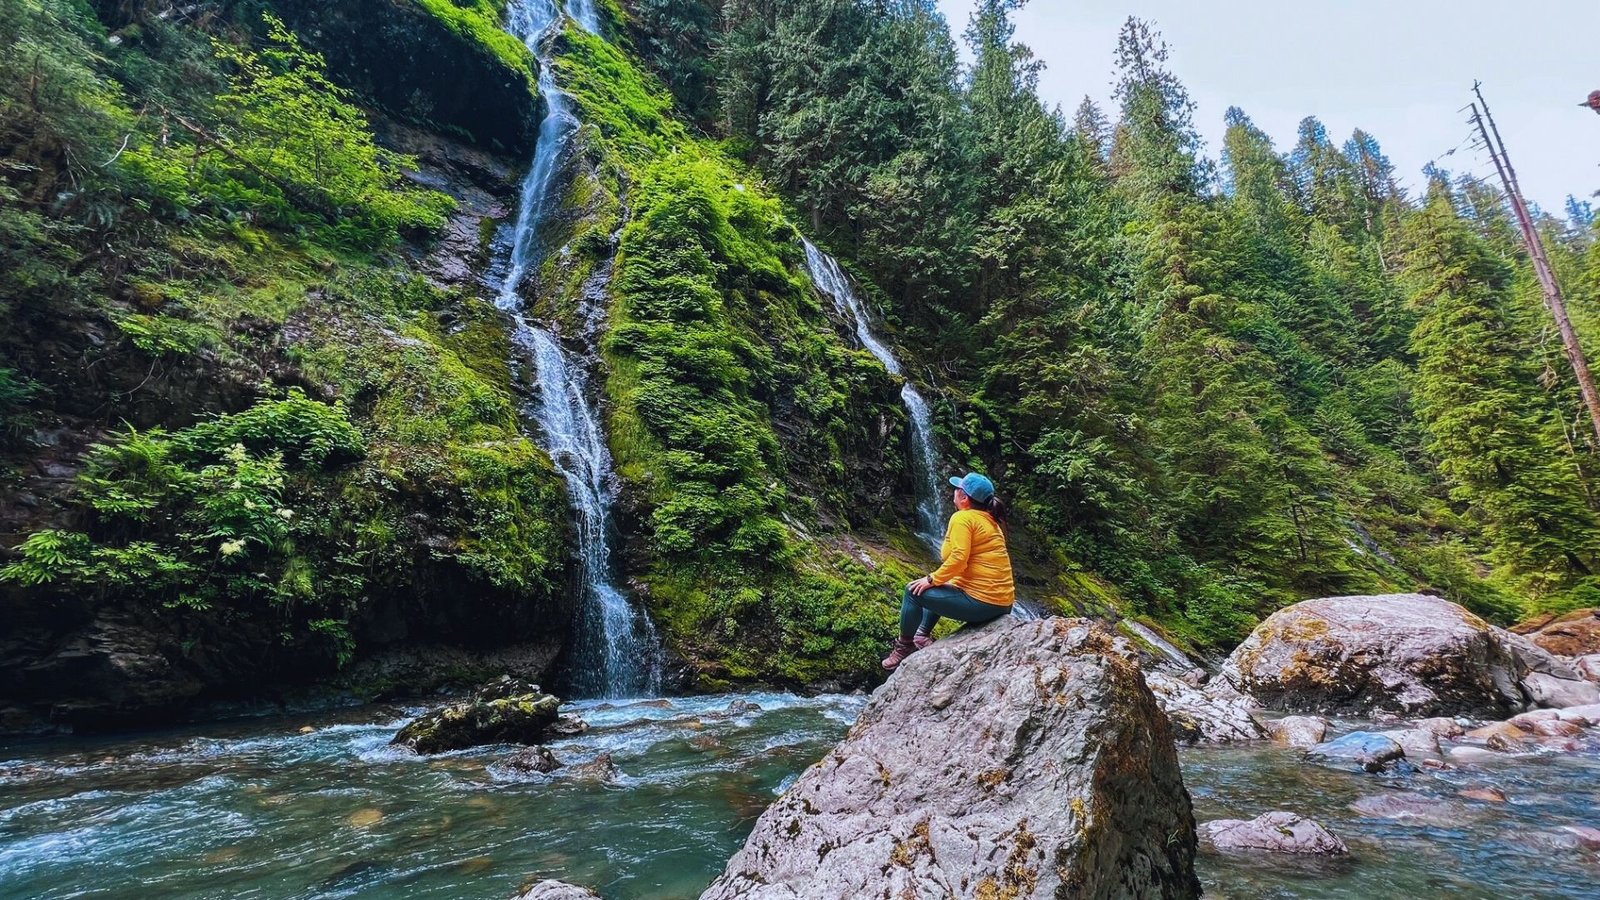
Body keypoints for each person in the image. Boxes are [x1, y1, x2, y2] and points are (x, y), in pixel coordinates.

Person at [882, 471, 1015, 671]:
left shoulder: (963, 518)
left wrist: (931, 578)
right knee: (940, 583)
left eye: (958, 488)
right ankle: (922, 635)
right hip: (1003, 604)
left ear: (964, 498)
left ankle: (904, 646)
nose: (954, 491)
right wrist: (935, 580)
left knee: (913, 591)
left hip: (985, 605)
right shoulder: (989, 519)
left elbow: (959, 558)